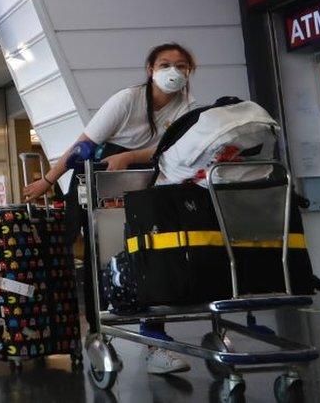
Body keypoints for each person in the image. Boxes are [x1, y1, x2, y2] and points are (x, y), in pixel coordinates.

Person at [23, 43, 196, 375]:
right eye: (165, 64)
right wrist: (47, 180)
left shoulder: (187, 108)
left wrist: (131, 157)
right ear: (150, 69)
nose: (173, 71)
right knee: (98, 254)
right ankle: (98, 333)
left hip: (143, 179)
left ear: (190, 71)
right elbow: (83, 146)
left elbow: (171, 148)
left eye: (181, 65)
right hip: (98, 176)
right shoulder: (127, 100)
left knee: (149, 254)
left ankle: (154, 340)